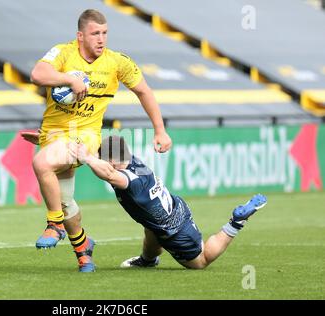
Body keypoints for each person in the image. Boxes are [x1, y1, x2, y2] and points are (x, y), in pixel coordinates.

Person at [21, 9, 172, 272]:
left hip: (86, 136)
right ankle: (83, 250)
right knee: (66, 201)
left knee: (42, 164)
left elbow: (143, 90)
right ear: (80, 36)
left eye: (104, 33)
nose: (101, 39)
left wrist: (160, 130)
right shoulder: (63, 53)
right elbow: (37, 74)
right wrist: (69, 79)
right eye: (95, 34)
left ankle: (53, 224)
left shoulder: (117, 62)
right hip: (53, 135)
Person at [68, 136, 267, 270]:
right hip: (174, 207)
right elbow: (107, 163)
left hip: (175, 230)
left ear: (111, 160)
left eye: (104, 159)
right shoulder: (130, 160)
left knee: (201, 261)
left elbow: (109, 173)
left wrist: (86, 158)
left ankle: (236, 222)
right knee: (150, 229)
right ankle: (147, 260)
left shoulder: (129, 180)